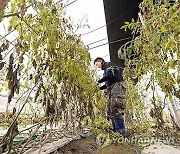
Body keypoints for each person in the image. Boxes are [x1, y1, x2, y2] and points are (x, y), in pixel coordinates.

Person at [94, 57, 126, 137]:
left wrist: (98, 82)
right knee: (111, 110)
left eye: (96, 64)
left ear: (100, 61)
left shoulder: (109, 64)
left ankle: (122, 132)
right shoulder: (105, 72)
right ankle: (115, 132)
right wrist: (98, 88)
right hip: (111, 89)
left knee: (116, 107)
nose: (96, 66)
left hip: (117, 87)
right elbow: (107, 83)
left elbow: (110, 75)